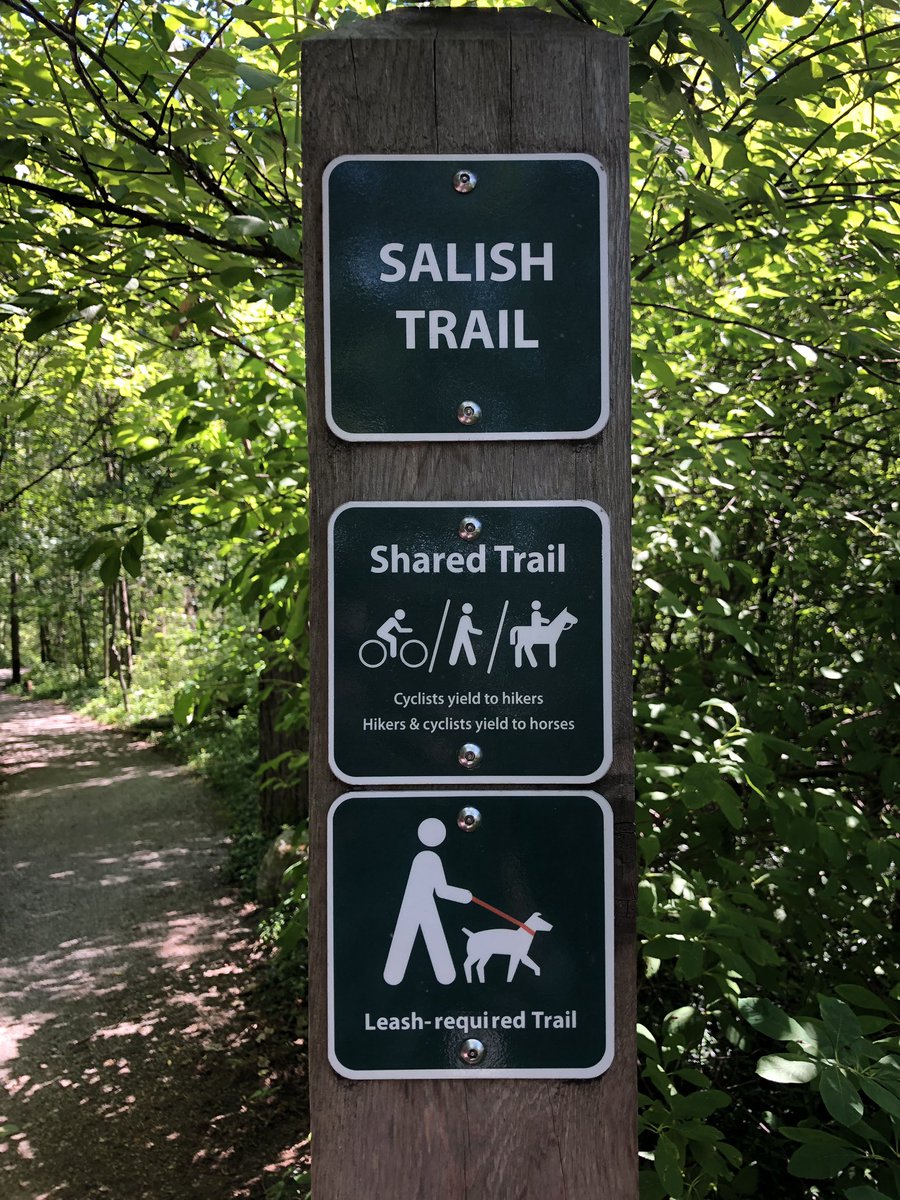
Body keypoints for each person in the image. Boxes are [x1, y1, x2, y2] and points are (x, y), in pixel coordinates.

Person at [383, 818, 472, 985]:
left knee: (408, 940)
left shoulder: (422, 857)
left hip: (414, 906)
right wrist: (465, 896)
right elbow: (441, 891)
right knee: (431, 938)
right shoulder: (430, 858)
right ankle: (444, 978)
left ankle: (393, 978)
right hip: (419, 905)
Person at [448, 602, 482, 667]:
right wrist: (479, 632)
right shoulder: (466, 618)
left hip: (462, 636)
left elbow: (469, 629)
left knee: (459, 648)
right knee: (464, 648)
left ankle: (453, 661)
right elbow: (470, 630)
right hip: (462, 636)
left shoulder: (464, 618)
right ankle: (453, 662)